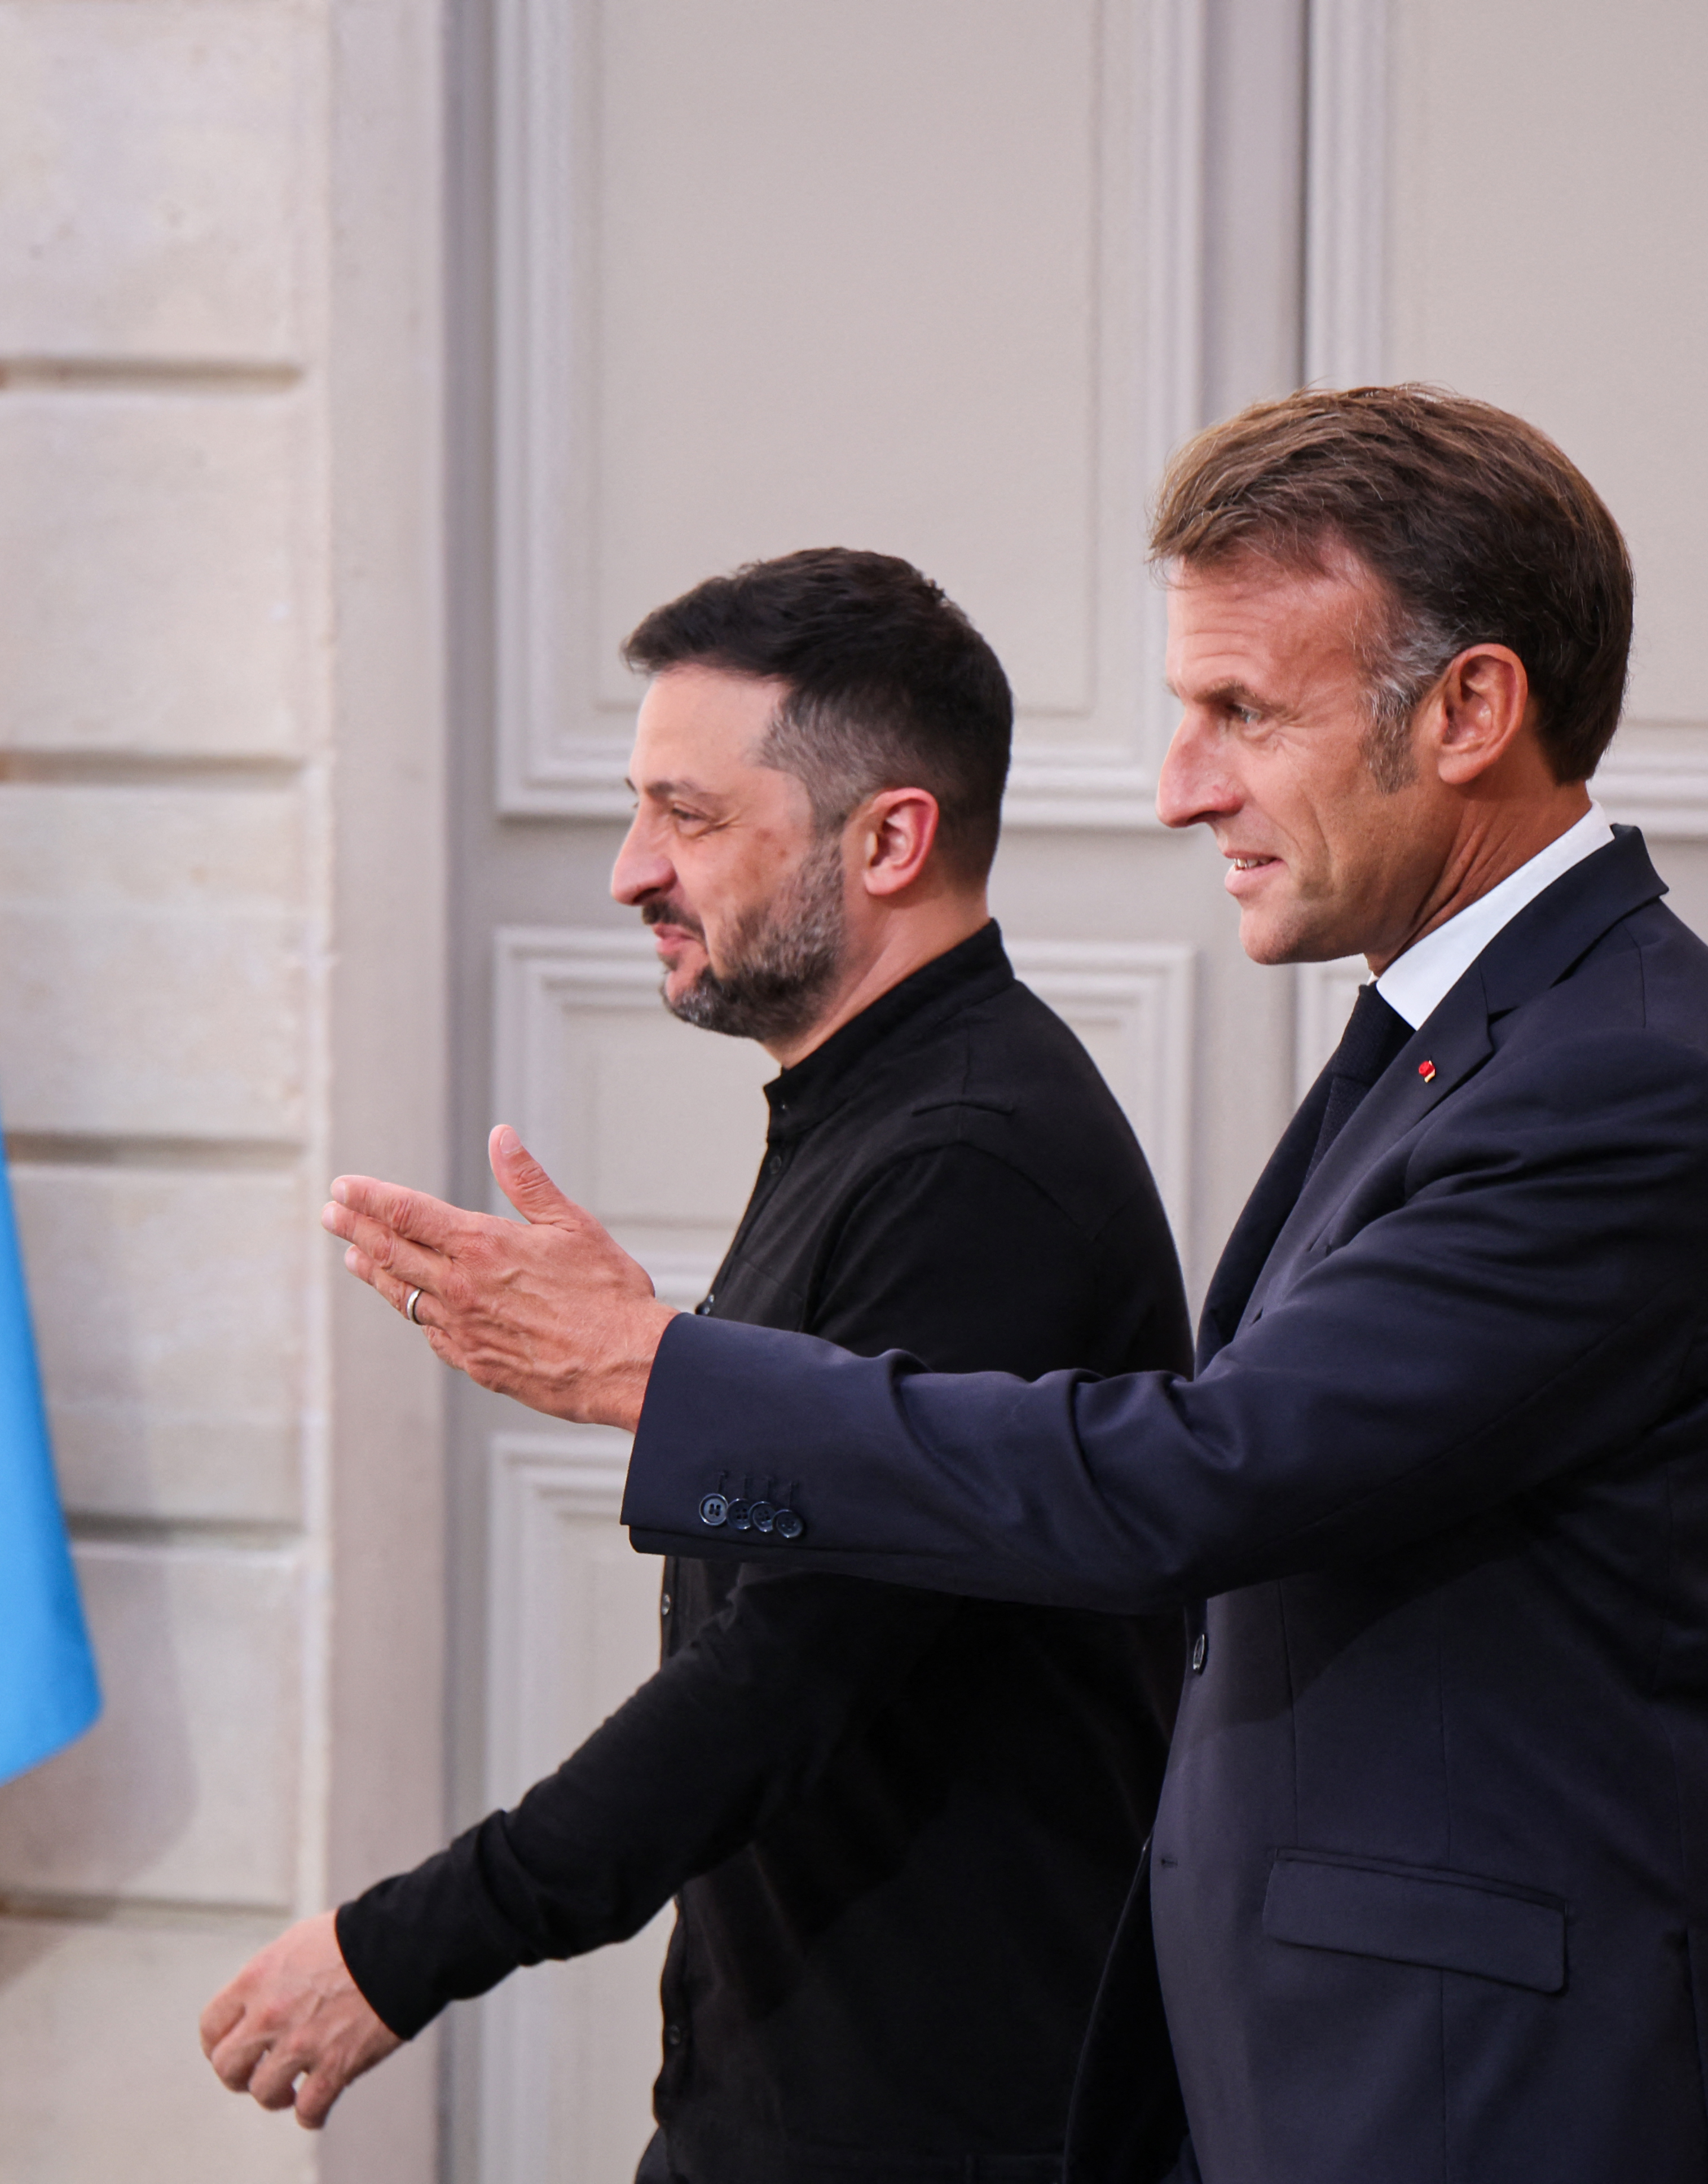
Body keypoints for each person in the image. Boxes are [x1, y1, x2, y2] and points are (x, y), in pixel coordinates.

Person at [318, 390, 1708, 2184]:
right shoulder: (1469, 1043)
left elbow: (1205, 1477)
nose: (1180, 785)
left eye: (1241, 713)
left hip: (1509, 2097)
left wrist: (658, 1375)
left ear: (1469, 711)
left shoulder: (1632, 1083)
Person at [197, 548, 1194, 2184]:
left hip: (944, 2133)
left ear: (889, 842)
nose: (629, 872)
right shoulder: (875, 1112)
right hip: (803, 2101)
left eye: (689, 815)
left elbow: (783, 1678)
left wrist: (405, 1944)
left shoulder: (972, 1158)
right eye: (637, 810)